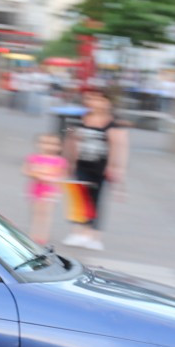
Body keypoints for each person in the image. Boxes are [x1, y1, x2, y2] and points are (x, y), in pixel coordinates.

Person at [62, 89, 128, 250]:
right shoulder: (80, 119)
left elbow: (120, 145)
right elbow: (69, 134)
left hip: (101, 167)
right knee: (78, 198)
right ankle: (77, 231)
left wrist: (117, 168)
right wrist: (67, 158)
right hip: (81, 164)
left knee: (96, 201)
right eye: (91, 99)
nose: (94, 103)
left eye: (99, 99)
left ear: (107, 103)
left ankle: (93, 235)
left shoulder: (113, 124)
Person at [22, 133, 67, 246]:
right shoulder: (34, 158)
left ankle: (43, 236)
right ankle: (33, 234)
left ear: (59, 146)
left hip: (50, 191)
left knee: (46, 214)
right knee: (36, 213)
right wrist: (35, 175)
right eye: (45, 143)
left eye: (53, 144)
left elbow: (62, 176)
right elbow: (26, 170)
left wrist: (52, 178)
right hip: (36, 189)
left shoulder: (60, 161)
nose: (49, 146)